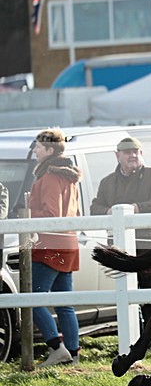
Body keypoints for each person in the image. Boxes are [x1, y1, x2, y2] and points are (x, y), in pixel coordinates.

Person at [90, 137, 151, 350]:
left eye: (136, 151)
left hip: (148, 247)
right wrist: (107, 212)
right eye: (127, 152)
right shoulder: (108, 182)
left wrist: (138, 208)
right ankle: (131, 340)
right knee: (125, 294)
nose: (133, 155)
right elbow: (94, 208)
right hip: (119, 249)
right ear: (117, 155)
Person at [29, 129, 81, 366]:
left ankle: (56, 347)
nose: (35, 150)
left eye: (38, 146)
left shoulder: (50, 177)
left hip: (50, 246)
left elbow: (52, 215)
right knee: (64, 304)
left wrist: (28, 213)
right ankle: (73, 353)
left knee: (32, 299)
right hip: (68, 244)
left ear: (49, 150)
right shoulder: (69, 178)